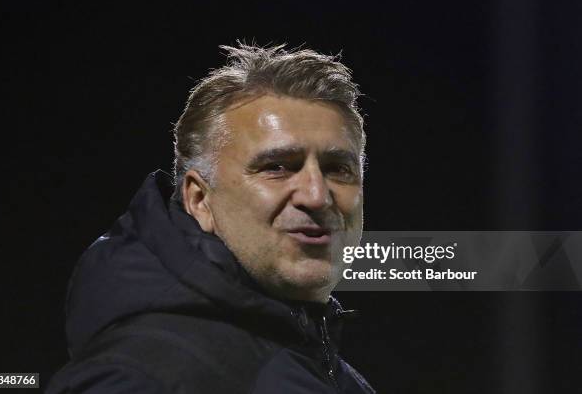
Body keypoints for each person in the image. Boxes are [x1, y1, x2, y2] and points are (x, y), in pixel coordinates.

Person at [47, 43, 375, 393]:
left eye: (338, 169)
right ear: (199, 199)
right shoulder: (140, 375)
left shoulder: (327, 371)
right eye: (277, 167)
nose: (316, 195)